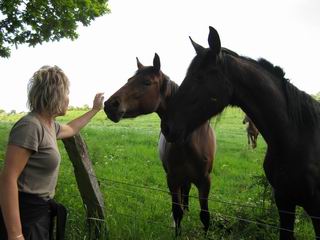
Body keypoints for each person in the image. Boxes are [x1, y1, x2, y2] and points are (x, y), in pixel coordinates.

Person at [0, 65, 104, 240]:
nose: (68, 99)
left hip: (40, 212)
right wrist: (16, 234)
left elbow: (71, 128)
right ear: (54, 94)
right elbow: (8, 178)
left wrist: (94, 110)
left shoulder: (48, 125)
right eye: (66, 93)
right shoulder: (30, 126)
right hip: (26, 214)